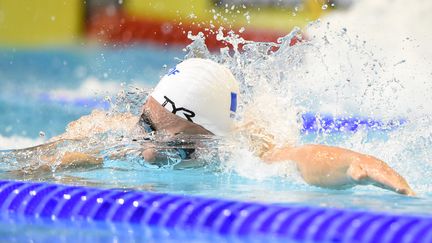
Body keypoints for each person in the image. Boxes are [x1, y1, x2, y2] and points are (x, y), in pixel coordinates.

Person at [24, 58, 415, 196]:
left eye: (179, 149)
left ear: (212, 140)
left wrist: (353, 163)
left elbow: (298, 157)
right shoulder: (106, 130)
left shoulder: (238, 154)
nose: (145, 151)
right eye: (145, 126)